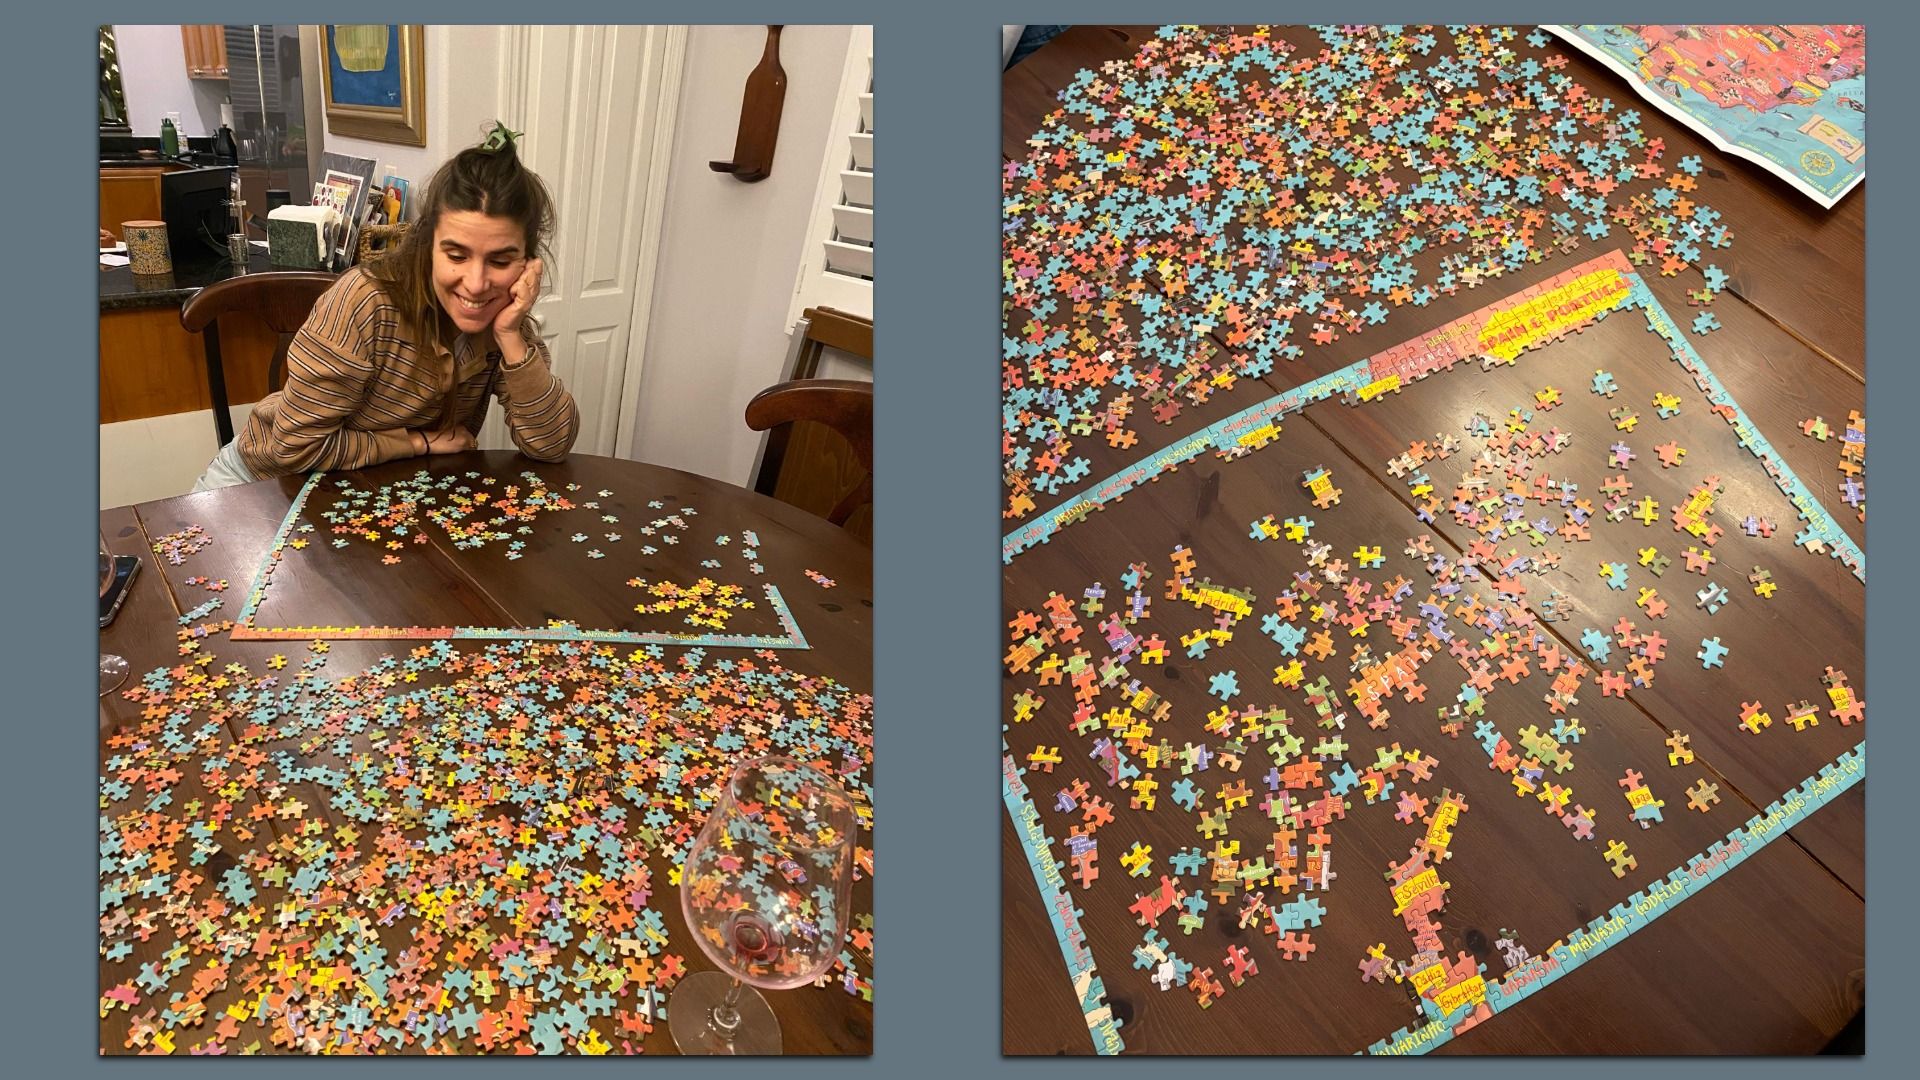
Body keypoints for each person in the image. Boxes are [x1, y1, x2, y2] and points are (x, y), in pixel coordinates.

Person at [192, 123, 579, 491]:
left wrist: (510, 336)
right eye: (456, 255)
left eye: (500, 261)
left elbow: (552, 445)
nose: (477, 284)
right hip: (261, 483)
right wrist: (415, 443)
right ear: (428, 246)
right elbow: (295, 449)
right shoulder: (366, 302)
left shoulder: (504, 318)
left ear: (528, 262)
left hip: (364, 491)